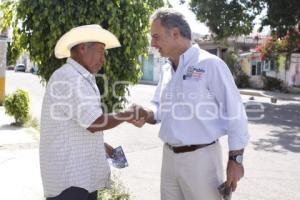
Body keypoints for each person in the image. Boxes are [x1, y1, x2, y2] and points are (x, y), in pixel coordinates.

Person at [135, 8, 249, 200]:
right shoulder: (166, 69)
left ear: (175, 34)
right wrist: (146, 113)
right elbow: (159, 108)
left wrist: (236, 159)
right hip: (169, 158)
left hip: (201, 160)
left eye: (156, 37)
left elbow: (235, 113)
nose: (152, 44)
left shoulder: (210, 64)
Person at [39, 24, 146, 200]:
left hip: (81, 178)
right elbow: (94, 122)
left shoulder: (81, 77)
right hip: (70, 182)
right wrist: (129, 114)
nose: (103, 59)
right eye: (101, 52)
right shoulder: (69, 77)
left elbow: (77, 124)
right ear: (82, 48)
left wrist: (100, 146)